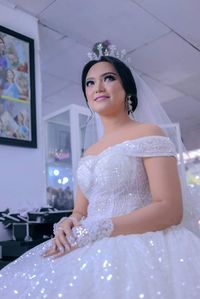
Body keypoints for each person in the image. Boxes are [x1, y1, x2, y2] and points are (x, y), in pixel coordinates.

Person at [0, 54, 200, 299]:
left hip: (141, 247)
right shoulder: (89, 152)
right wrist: (67, 223)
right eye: (90, 83)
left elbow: (170, 209)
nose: (98, 88)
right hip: (88, 244)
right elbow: (81, 212)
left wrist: (100, 228)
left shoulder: (148, 132)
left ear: (126, 87)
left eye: (108, 78)